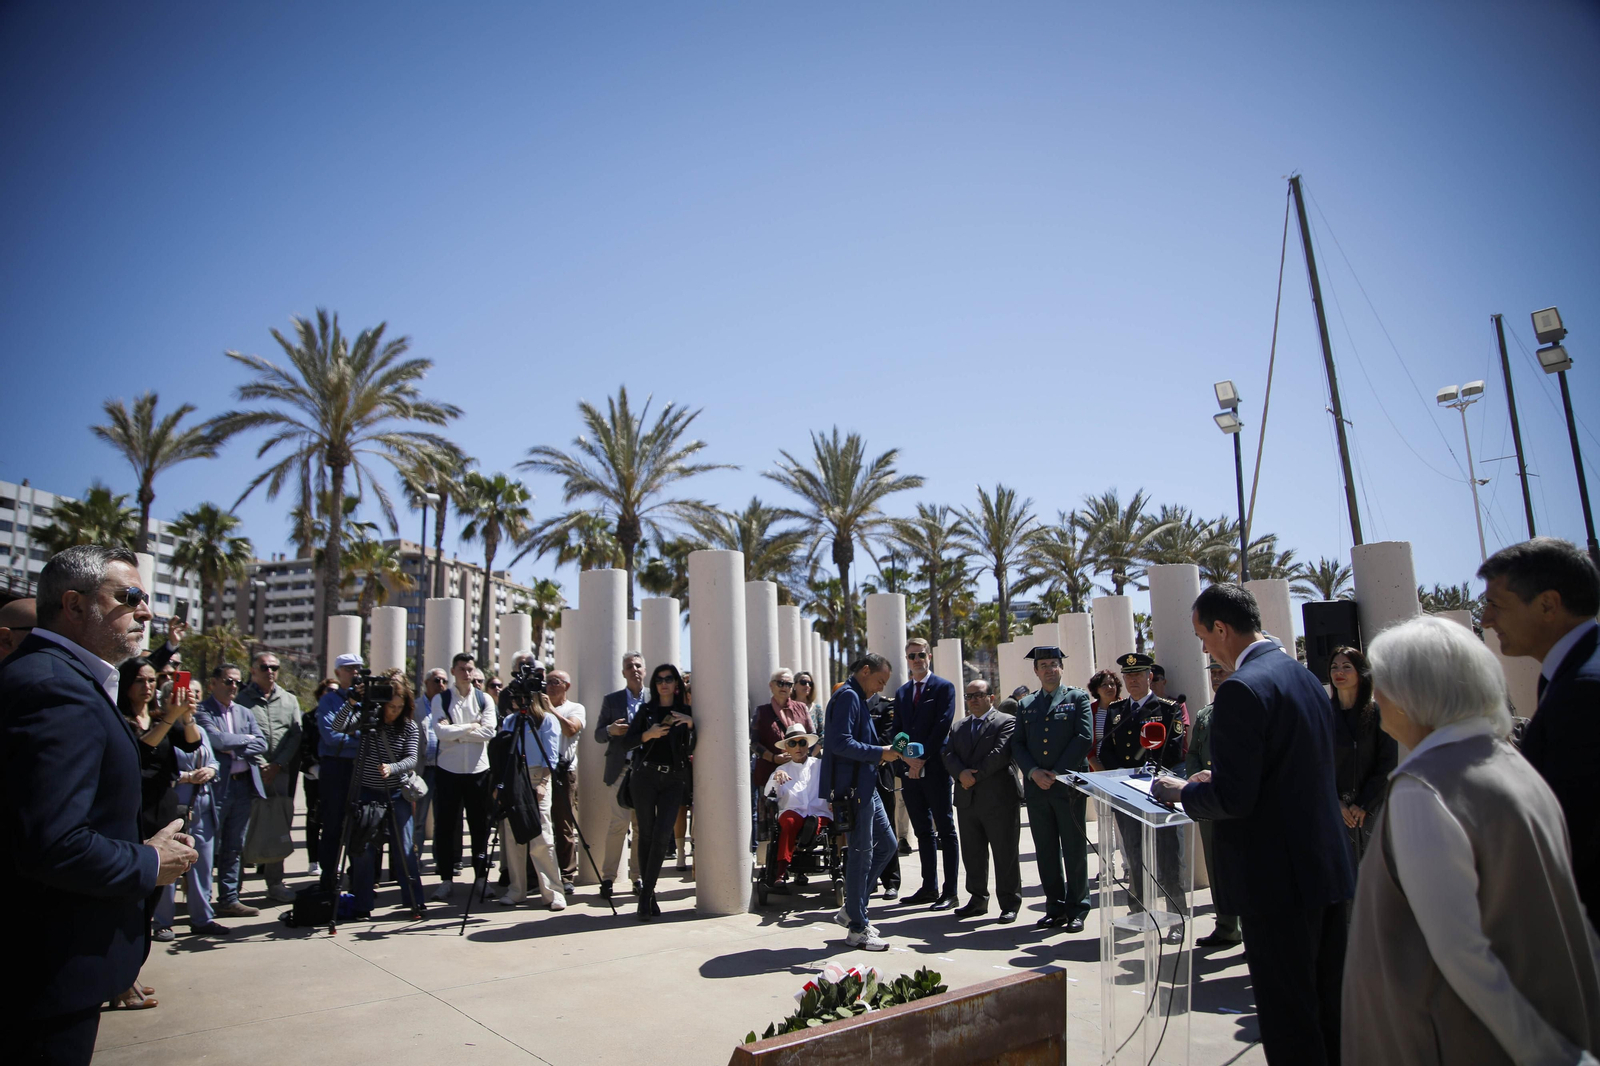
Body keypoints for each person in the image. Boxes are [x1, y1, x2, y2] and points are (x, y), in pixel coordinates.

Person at [1343, 614, 1600, 1065]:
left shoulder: (1425, 788)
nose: (1375, 696)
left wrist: (1554, 1056)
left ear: (1412, 693)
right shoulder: (1510, 763)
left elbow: (1462, 954)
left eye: (1382, 683)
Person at [0, 545, 197, 1064]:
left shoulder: (65, 678)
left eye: (146, 598)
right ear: (73, 604)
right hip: (45, 975)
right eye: (129, 597)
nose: (146, 611)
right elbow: (52, 843)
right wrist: (150, 861)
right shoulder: (52, 687)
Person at [1151, 584, 1353, 1066]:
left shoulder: (1241, 688)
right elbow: (1288, 769)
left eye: (1203, 636)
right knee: (1330, 1011)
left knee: (1289, 1020)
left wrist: (1185, 792)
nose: (1204, 648)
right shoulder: (1302, 677)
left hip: (1276, 881)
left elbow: (1234, 799)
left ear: (1222, 629)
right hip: (1324, 868)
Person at [1478, 536, 1600, 928]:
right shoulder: (1572, 678)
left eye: (1496, 605)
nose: (1486, 620)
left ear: (1548, 604)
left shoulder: (1584, 691)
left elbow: (1578, 837)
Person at [119, 656, 204, 952]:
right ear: (126, 683)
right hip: (133, 808)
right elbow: (139, 751)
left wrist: (186, 716)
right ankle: (124, 970)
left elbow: (192, 743)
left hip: (164, 806)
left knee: (155, 890)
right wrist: (170, 718)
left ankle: (134, 964)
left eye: (152, 680)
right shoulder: (119, 717)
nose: (147, 686)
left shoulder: (160, 716)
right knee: (132, 891)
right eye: (140, 680)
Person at [821, 653, 903, 951]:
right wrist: (880, 752)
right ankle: (857, 926)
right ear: (865, 671)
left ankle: (852, 910)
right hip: (855, 789)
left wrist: (880, 753)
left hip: (865, 786)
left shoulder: (854, 696)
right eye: (879, 681)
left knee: (887, 845)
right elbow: (839, 743)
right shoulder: (848, 697)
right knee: (861, 854)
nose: (880, 689)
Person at [1011, 645, 1094, 931]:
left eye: (1053, 664)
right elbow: (1017, 744)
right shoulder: (1026, 704)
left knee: (1073, 848)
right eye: (1043, 665)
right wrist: (1034, 772)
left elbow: (1084, 737)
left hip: (1067, 785)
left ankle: (1078, 908)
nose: (1048, 669)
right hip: (1037, 788)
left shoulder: (1077, 697)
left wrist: (1056, 774)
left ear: (1061, 668)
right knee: (1045, 850)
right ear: (1035, 670)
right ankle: (1055, 907)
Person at [1098, 651, 1187, 920]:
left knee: (1168, 859)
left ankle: (1175, 917)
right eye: (1128, 676)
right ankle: (1139, 913)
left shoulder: (1168, 709)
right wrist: (1123, 777)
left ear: (1150, 676)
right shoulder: (1115, 711)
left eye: (1138, 675)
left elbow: (1174, 752)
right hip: (1127, 795)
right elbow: (1106, 751)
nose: (1133, 680)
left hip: (1157, 794)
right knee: (1135, 857)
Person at [332, 669, 426, 920]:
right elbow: (338, 726)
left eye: (399, 706)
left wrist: (392, 768)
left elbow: (412, 759)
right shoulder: (368, 718)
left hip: (396, 793)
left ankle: (414, 901)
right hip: (366, 793)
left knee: (405, 850)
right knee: (363, 850)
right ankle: (363, 904)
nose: (393, 711)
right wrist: (352, 701)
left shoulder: (409, 727)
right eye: (390, 706)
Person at [153, 675, 229, 938]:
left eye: (193, 697)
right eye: (186, 696)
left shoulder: (198, 729)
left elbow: (213, 761)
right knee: (170, 866)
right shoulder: (160, 729)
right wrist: (185, 777)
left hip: (202, 806)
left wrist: (210, 770)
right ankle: (163, 920)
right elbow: (157, 768)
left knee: (203, 866)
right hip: (174, 807)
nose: (191, 701)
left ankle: (202, 918)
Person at [944, 679, 1023, 923]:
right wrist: (960, 774)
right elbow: (947, 753)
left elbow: (999, 754)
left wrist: (971, 775)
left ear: (991, 697)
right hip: (968, 800)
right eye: (969, 696)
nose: (973, 700)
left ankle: (1009, 903)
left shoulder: (1006, 721)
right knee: (973, 854)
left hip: (999, 799)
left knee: (1004, 853)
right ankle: (977, 899)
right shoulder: (958, 727)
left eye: (979, 695)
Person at [621, 663, 695, 921]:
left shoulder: (686, 712)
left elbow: (692, 747)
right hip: (645, 777)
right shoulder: (647, 710)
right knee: (647, 834)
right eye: (660, 679)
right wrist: (648, 734)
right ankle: (648, 896)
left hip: (674, 778)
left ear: (676, 684)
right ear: (655, 684)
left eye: (669, 679)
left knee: (662, 837)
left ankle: (645, 894)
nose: (664, 683)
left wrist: (690, 725)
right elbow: (628, 741)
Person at [195, 662, 267, 919]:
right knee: (207, 847)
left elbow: (262, 743)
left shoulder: (245, 713)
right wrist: (244, 741)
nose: (234, 686)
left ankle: (229, 898)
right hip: (216, 788)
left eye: (238, 682)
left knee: (234, 846)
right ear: (213, 684)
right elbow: (215, 741)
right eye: (228, 681)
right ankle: (201, 901)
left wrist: (236, 744)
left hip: (243, 785)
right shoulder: (202, 711)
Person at [892, 637, 960, 909]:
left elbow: (942, 726)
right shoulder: (902, 693)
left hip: (934, 767)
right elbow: (897, 730)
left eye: (921, 655)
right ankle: (928, 887)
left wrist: (921, 759)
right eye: (911, 656)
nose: (917, 660)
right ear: (906, 660)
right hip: (910, 771)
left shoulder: (944, 687)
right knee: (922, 831)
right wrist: (906, 759)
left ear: (929, 657)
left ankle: (950, 891)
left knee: (945, 828)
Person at [428, 652, 496, 902]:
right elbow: (440, 732)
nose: (466, 674)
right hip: (448, 770)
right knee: (445, 826)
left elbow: (489, 731)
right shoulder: (441, 699)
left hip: (479, 771)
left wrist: (456, 731)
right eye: (461, 669)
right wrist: (471, 727)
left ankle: (480, 879)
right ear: (453, 671)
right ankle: (446, 879)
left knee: (480, 827)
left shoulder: (484, 699)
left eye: (470, 669)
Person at [494, 677, 566, 911]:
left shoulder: (546, 721)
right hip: (514, 777)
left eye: (521, 696)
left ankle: (553, 892)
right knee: (513, 834)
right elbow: (504, 752)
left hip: (537, 777)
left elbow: (551, 756)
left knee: (542, 837)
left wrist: (544, 783)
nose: (516, 700)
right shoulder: (509, 721)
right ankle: (517, 890)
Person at [236, 650, 302, 904]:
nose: (270, 671)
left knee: (278, 828)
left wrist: (276, 764)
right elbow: (240, 735)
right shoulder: (241, 700)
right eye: (264, 667)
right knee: (243, 828)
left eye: (274, 667)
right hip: (249, 773)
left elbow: (295, 735)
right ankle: (234, 888)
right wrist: (261, 765)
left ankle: (275, 883)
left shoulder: (289, 700)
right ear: (253, 670)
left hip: (280, 774)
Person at [1186, 658, 1241, 948]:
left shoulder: (1246, 707)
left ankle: (1251, 932)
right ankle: (1226, 926)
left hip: (1236, 798)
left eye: (1222, 671)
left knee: (1244, 867)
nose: (1216, 677)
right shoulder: (1205, 713)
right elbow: (1193, 752)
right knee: (1216, 865)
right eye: (1213, 672)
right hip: (1209, 799)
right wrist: (1193, 778)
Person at [1327, 646, 1396, 863]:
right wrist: (1335, 801)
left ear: (1360, 673)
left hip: (1372, 809)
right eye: (1334, 667)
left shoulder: (1377, 714)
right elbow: (1316, 764)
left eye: (1347, 667)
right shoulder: (1323, 714)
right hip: (1335, 810)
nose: (1339, 672)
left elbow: (1387, 763)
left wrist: (1363, 804)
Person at [595, 650, 646, 898]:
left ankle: (638, 878)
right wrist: (610, 730)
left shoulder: (655, 700)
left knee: (641, 827)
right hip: (620, 770)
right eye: (629, 666)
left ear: (644, 670)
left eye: (638, 665)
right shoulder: (612, 700)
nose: (634, 669)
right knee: (618, 825)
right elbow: (597, 734)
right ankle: (608, 879)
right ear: (623, 672)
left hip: (646, 772)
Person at [314, 654, 365, 890]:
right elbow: (331, 736)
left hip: (361, 767)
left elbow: (374, 737)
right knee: (333, 824)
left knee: (361, 824)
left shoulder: (369, 701)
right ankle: (328, 876)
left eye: (358, 669)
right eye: (348, 669)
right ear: (337, 673)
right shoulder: (329, 701)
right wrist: (358, 736)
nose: (354, 673)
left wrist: (353, 737)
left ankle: (359, 878)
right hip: (335, 767)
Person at [761, 722, 830, 890]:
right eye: (793, 743)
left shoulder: (819, 766)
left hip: (817, 812)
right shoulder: (781, 770)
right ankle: (781, 873)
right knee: (790, 822)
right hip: (793, 812)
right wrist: (776, 779)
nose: (798, 747)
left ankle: (809, 831)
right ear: (787, 748)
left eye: (802, 742)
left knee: (817, 819)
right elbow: (768, 794)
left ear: (808, 745)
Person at [537, 666, 585, 894]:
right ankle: (538, 875)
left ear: (567, 686)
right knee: (539, 824)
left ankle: (566, 875)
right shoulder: (537, 708)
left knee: (564, 824)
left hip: (564, 771)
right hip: (539, 770)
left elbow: (570, 730)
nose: (550, 685)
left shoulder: (575, 708)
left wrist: (550, 711)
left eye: (555, 681)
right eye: (548, 681)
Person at [753, 668, 812, 790]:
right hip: (770, 773)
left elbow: (812, 735)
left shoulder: (802, 708)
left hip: (799, 773)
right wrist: (774, 758)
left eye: (788, 684)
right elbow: (754, 743)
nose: (784, 687)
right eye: (780, 683)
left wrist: (801, 756)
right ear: (771, 685)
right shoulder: (762, 712)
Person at [1086, 668, 1121, 771]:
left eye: (1112, 684)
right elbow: (1087, 744)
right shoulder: (1090, 711)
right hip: (1097, 769)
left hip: (1121, 768)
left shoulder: (1126, 707)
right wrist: (1099, 769)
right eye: (1104, 685)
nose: (1109, 687)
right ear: (1096, 689)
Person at [793, 671, 824, 735]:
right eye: (803, 682)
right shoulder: (788, 707)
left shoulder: (817, 709)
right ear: (794, 685)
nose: (807, 686)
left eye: (810, 683)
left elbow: (823, 732)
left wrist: (819, 745)